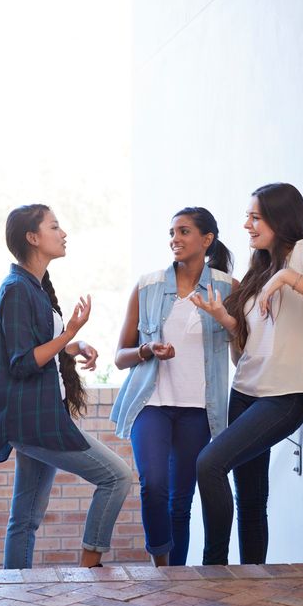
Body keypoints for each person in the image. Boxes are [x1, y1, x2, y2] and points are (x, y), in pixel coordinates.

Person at [193, 183, 303, 565]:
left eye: (255, 216)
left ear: (279, 218)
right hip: (246, 390)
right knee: (250, 499)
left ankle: (212, 570)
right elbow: (254, 340)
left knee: (209, 464)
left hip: (286, 396)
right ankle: (252, 580)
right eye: (247, 216)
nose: (246, 224)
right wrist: (224, 319)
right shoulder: (261, 263)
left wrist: (286, 279)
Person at [0, 204, 132, 569]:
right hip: (34, 419)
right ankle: (90, 564)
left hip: (38, 415)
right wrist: (69, 332)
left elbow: (39, 346)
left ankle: (16, 587)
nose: (63, 233)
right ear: (33, 238)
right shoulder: (17, 289)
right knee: (117, 476)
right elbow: (22, 361)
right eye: (54, 227)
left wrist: (73, 345)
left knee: (25, 518)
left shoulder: (33, 286)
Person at [110, 207, 236, 566]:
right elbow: (120, 356)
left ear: (206, 239)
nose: (174, 240)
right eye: (171, 233)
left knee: (181, 500)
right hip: (151, 403)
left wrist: (223, 318)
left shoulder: (227, 288)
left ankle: (176, 576)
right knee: (153, 484)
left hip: (198, 409)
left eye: (183, 232)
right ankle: (160, 566)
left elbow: (243, 345)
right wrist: (148, 349)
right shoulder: (147, 286)